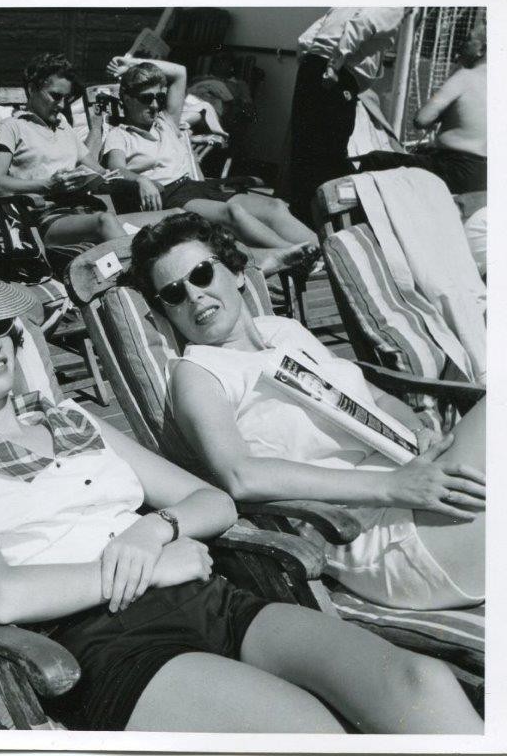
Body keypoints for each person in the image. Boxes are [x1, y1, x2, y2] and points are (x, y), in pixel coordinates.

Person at [0, 218, 480, 733]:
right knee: (306, 729)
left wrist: (154, 530)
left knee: (417, 684)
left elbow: (213, 500)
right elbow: (1, 598)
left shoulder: (73, 420)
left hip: (209, 598)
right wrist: (151, 567)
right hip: (103, 640)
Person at [130, 212, 485, 611]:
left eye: (201, 274)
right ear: (167, 312)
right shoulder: (197, 373)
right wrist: (392, 486)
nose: (194, 296)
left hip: (419, 486)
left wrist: (418, 429)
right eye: (173, 293)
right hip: (381, 539)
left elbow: (377, 399)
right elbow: (240, 475)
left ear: (237, 273)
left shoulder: (284, 331)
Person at [102, 55, 319, 276]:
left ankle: (325, 248)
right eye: (146, 98)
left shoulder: (166, 121)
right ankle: (297, 255)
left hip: (195, 187)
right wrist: (141, 179)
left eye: (159, 97)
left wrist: (132, 64)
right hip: (170, 196)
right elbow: (115, 169)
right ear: (127, 98)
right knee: (234, 213)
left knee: (274, 206)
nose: (155, 105)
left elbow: (179, 72)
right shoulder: (119, 134)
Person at [0, 53, 174, 271]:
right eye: (55, 96)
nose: (61, 105)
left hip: (86, 211)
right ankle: (148, 278)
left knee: (175, 215)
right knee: (105, 221)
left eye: (66, 98)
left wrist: (137, 180)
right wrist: (46, 185)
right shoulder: (12, 127)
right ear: (32, 89)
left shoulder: (63, 126)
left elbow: (97, 170)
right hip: (48, 218)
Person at [288, 7, 409, 223]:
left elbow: (305, 39)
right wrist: (334, 66)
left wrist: (311, 68)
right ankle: (319, 220)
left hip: (311, 67)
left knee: (304, 148)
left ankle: (297, 214)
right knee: (330, 152)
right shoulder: (394, 5)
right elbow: (361, 24)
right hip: (337, 75)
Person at [354, 19, 486, 194]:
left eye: (468, 39)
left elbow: (421, 120)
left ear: (481, 50)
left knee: (375, 159)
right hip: (483, 174)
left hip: (454, 169)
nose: (462, 44)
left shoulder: (465, 76)